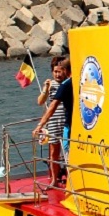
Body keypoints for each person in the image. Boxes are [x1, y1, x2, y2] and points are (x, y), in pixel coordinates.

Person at [32, 57, 73, 187]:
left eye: (60, 71)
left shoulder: (67, 83)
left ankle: (68, 176)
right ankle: (54, 179)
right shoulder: (51, 84)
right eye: (55, 71)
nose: (57, 74)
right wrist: (45, 88)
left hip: (66, 119)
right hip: (54, 120)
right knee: (54, 152)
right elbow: (40, 101)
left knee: (68, 152)